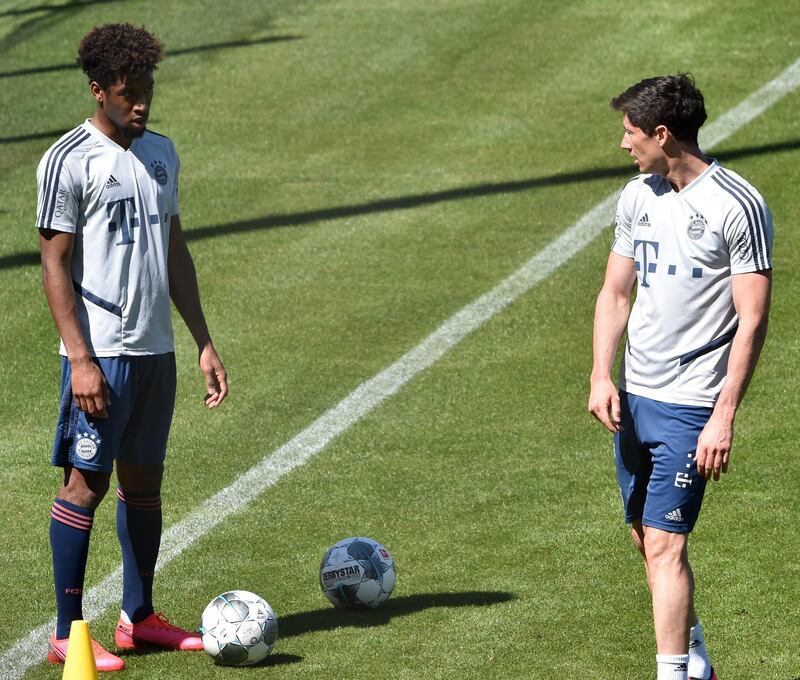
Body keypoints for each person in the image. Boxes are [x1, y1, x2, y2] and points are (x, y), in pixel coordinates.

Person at [37, 23, 228, 671]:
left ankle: (138, 617)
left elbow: (174, 251)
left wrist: (202, 340)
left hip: (156, 352)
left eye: (147, 89)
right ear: (99, 91)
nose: (142, 103)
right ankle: (68, 631)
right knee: (84, 487)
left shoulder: (161, 154)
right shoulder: (69, 159)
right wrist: (81, 358)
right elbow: (54, 266)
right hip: (102, 356)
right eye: (128, 93)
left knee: (144, 485)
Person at [588, 74, 772, 680]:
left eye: (631, 132)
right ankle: (694, 659)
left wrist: (724, 414)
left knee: (667, 545)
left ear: (662, 134)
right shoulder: (637, 196)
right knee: (645, 536)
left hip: (693, 403)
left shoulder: (736, 205)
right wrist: (600, 375)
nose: (624, 144)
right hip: (635, 397)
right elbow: (616, 293)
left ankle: (671, 675)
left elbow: (752, 320)